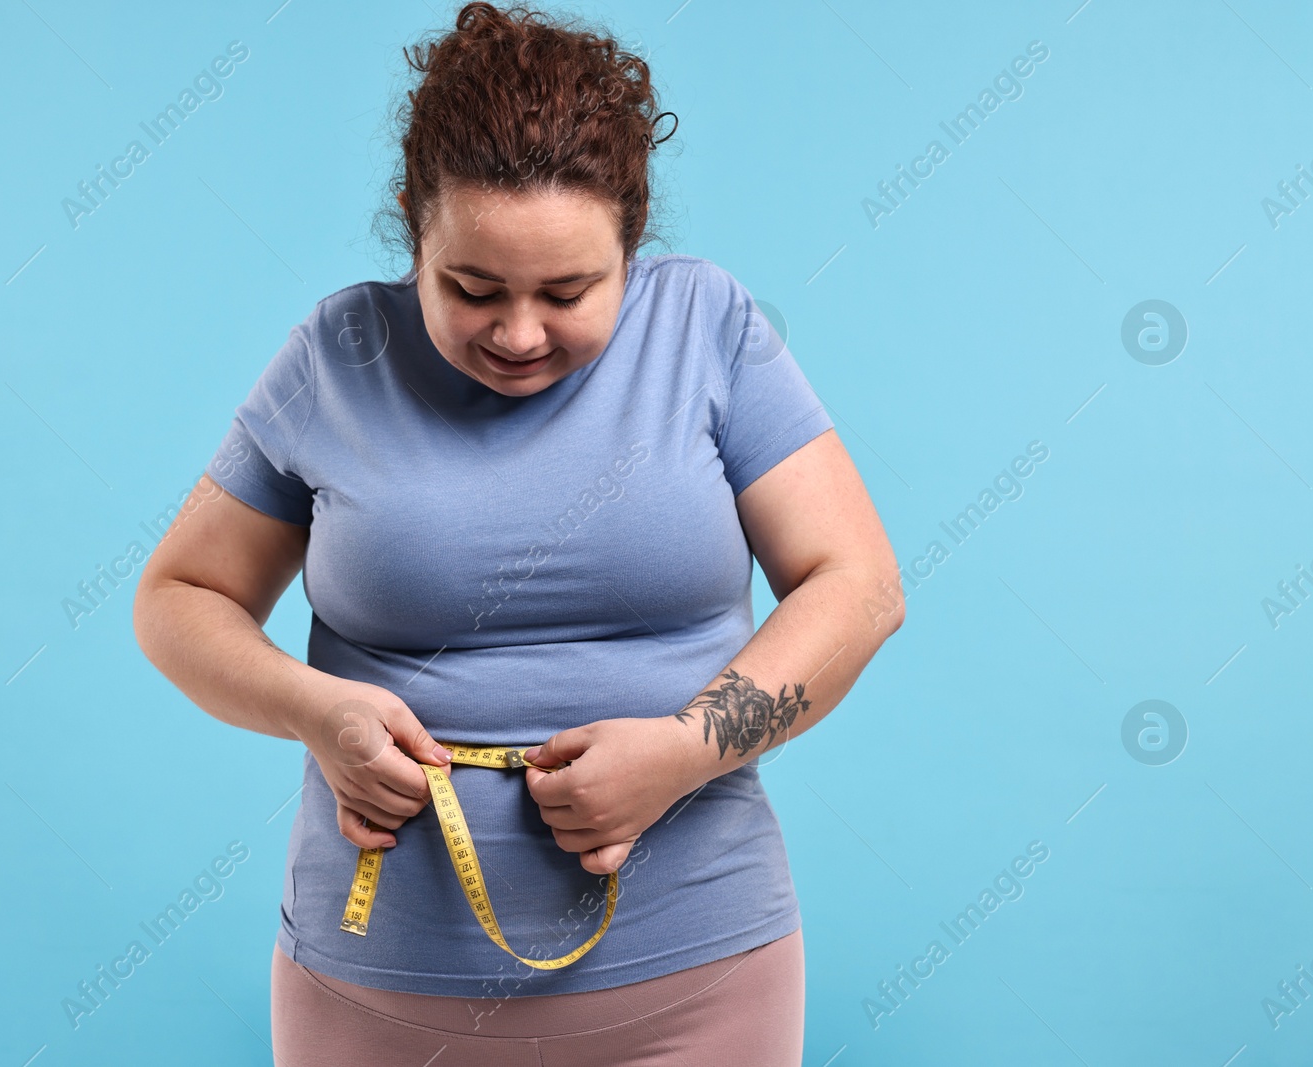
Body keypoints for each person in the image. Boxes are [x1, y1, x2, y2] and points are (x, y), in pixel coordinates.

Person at [132, 3, 904, 1063]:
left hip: (699, 982)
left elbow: (857, 584)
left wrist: (681, 754)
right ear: (414, 222)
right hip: (378, 992)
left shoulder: (708, 329)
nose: (520, 333)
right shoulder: (337, 353)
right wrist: (317, 711)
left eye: (570, 290)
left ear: (632, 240)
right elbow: (177, 598)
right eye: (473, 287)